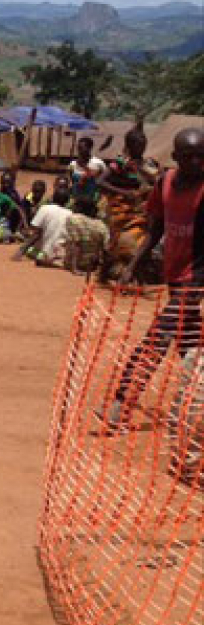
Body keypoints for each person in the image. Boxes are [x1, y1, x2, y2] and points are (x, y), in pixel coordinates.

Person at [104, 127, 204, 432]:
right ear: (175, 158)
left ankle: (121, 406)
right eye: (188, 157)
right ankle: (194, 406)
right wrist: (133, 265)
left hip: (195, 277)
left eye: (201, 156)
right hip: (173, 274)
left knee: (156, 338)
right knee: (191, 345)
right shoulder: (166, 183)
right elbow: (156, 229)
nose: (196, 162)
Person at [100, 126, 158, 282]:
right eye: (138, 144)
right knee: (123, 241)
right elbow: (101, 182)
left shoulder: (150, 164)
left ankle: (130, 269)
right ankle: (110, 268)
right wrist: (124, 193)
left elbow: (159, 181)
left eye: (143, 144)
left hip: (143, 209)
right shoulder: (120, 163)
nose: (142, 147)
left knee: (146, 237)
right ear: (130, 145)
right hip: (123, 210)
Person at [14, 180, 74, 266]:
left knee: (31, 251)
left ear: (53, 197)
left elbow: (36, 234)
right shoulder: (71, 214)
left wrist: (20, 251)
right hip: (61, 253)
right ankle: (55, 260)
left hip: (45, 252)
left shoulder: (44, 208)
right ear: (67, 201)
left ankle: (46, 259)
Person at [62, 195, 109, 274]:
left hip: (75, 262)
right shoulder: (101, 224)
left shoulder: (73, 219)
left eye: (74, 205)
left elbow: (76, 244)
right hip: (91, 265)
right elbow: (105, 248)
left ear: (79, 208)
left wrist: (74, 268)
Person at [69, 136, 107, 205]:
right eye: (78, 148)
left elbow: (104, 180)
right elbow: (72, 180)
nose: (79, 150)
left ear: (90, 148)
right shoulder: (73, 164)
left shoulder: (98, 163)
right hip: (76, 198)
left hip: (92, 200)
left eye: (82, 148)